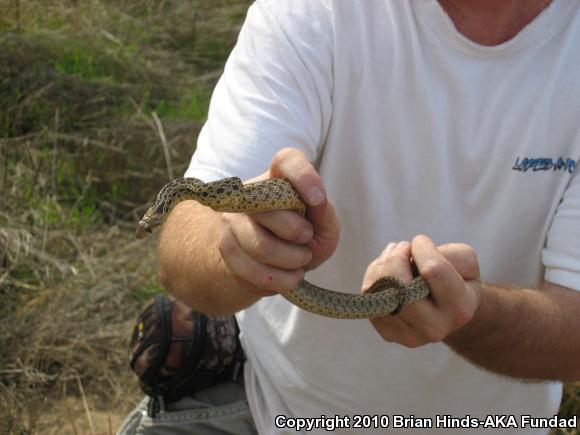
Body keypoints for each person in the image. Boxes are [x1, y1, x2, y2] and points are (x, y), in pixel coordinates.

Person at [118, 0, 580, 434]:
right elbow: (185, 243)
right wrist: (239, 249)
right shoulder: (315, 13)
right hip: (276, 412)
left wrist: (470, 310)